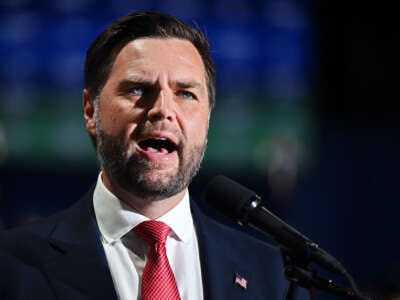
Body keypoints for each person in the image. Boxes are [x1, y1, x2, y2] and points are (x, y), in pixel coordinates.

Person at [0, 11, 306, 300]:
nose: (163, 109)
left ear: (208, 119)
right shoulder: (11, 265)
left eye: (185, 93)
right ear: (90, 110)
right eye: (137, 89)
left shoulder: (276, 278)